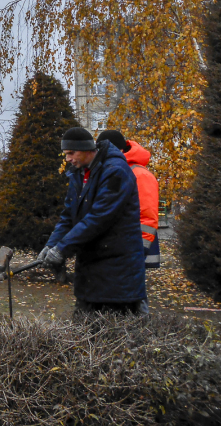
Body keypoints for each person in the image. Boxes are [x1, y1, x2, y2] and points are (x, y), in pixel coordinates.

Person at [39, 127, 147, 315]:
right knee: (84, 333)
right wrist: (51, 245)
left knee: (116, 334)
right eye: (66, 154)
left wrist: (62, 249)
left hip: (117, 273)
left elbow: (99, 217)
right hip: (91, 271)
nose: (67, 159)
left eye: (71, 153)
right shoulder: (79, 174)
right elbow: (68, 217)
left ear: (86, 149)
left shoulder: (116, 172)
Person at [97, 130, 160, 269]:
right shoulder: (114, 170)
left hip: (132, 249)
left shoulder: (139, 174)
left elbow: (147, 216)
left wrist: (139, 250)